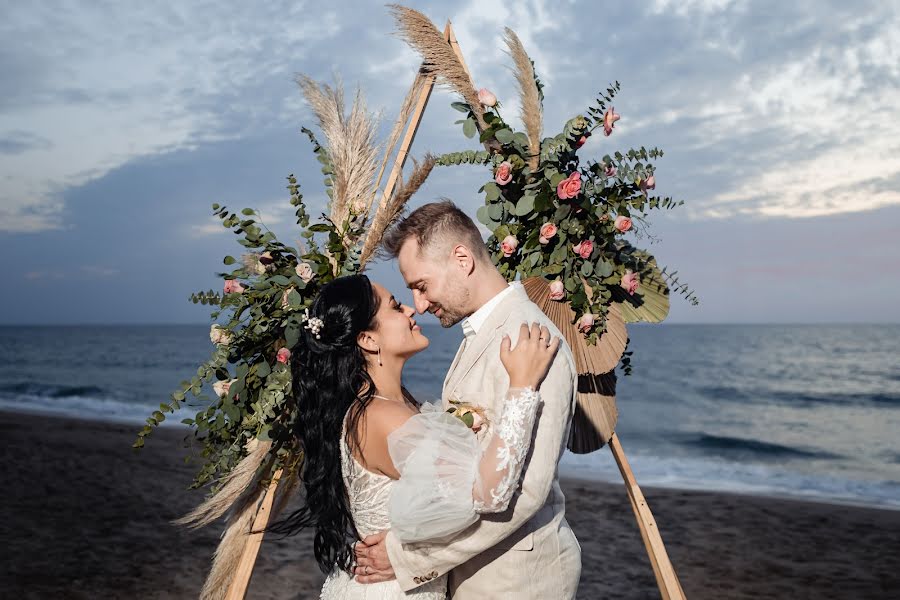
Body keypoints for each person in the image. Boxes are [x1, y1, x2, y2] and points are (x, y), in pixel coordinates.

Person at [272, 273, 560, 600]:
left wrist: (459, 427)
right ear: (368, 340)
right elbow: (487, 493)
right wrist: (522, 388)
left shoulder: (387, 407)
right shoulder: (382, 417)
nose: (411, 310)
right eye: (395, 307)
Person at [353, 200, 582, 598]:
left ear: (462, 259)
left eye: (422, 286)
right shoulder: (480, 334)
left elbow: (525, 493)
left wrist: (410, 557)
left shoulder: (533, 341)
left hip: (516, 581)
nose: (420, 305)